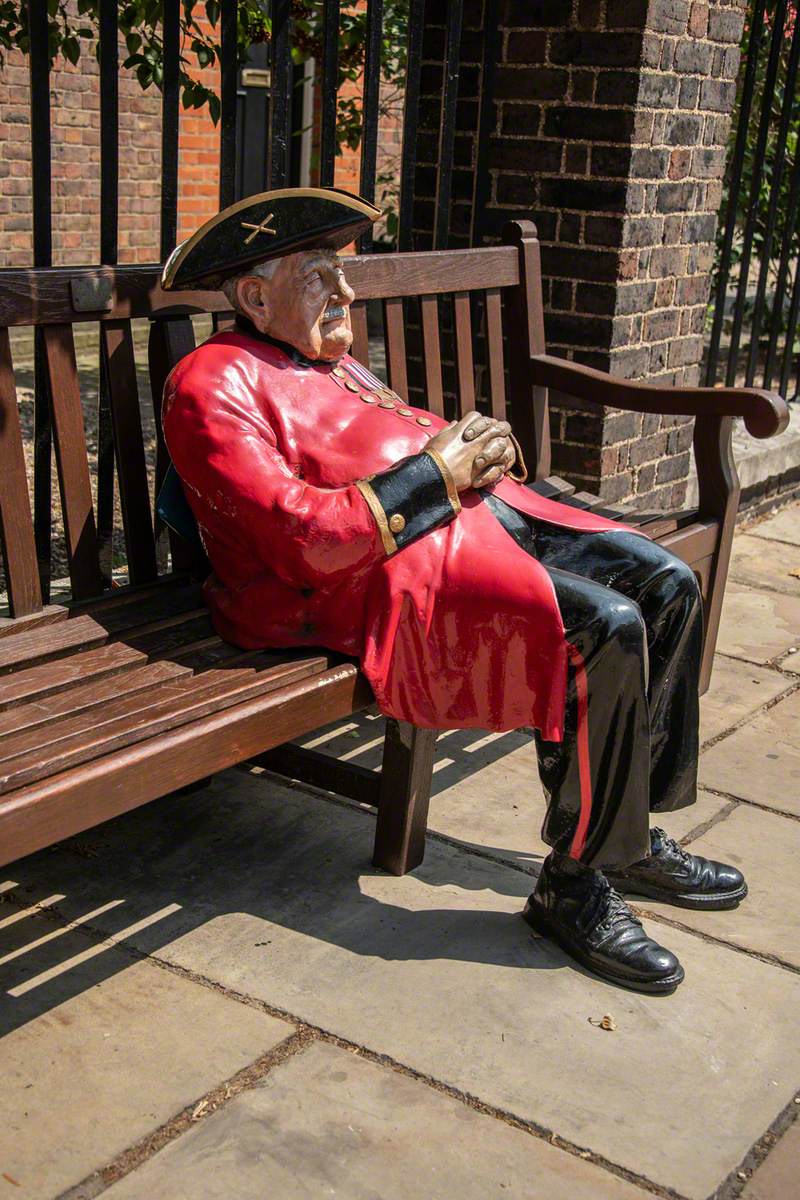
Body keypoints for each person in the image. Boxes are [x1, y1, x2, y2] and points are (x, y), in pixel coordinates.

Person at [159, 187, 747, 995]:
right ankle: (573, 888)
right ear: (256, 295)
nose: (348, 294)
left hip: (465, 526)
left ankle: (629, 837)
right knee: (603, 628)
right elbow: (303, 539)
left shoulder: (325, 358)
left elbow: (394, 436)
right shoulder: (210, 382)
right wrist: (437, 470)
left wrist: (477, 450)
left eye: (344, 274)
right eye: (323, 276)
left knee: (667, 582)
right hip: (359, 583)